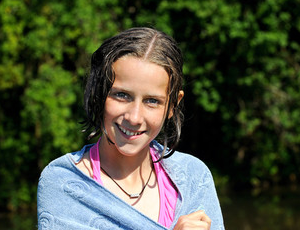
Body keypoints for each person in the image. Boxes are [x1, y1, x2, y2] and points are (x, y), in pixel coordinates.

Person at [37, 27, 225, 230]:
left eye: (152, 101)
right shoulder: (63, 182)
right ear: (99, 93)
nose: (134, 118)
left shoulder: (193, 179)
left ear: (172, 105)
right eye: (122, 95)